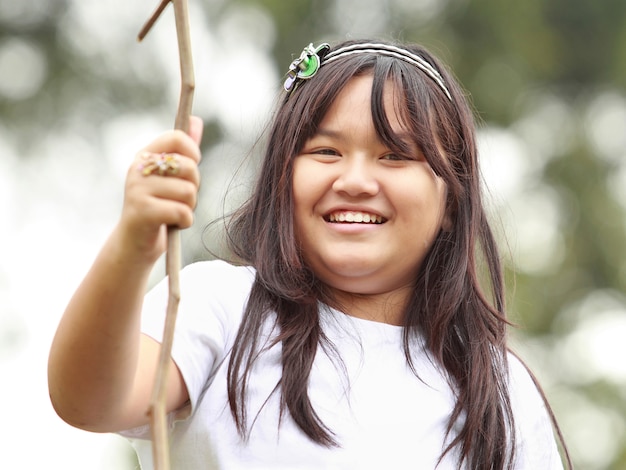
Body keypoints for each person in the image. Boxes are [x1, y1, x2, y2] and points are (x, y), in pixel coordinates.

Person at [48, 39, 571, 469]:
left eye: (395, 156)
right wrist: (129, 250)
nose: (356, 180)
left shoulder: (497, 388)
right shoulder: (224, 309)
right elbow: (88, 399)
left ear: (451, 201)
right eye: (326, 151)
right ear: (283, 177)